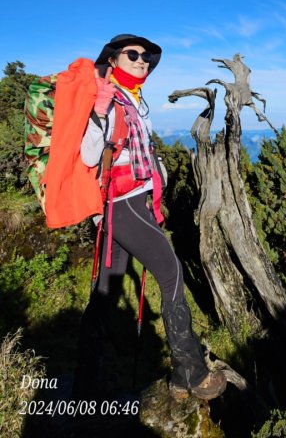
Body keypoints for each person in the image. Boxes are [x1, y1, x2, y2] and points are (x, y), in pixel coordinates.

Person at [73, 33, 226, 401]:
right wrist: (98, 112)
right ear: (112, 59)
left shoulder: (135, 101)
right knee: (171, 272)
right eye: (133, 54)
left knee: (106, 292)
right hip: (122, 203)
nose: (143, 60)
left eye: (147, 57)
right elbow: (90, 156)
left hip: (128, 203)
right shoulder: (106, 97)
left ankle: (85, 381)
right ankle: (188, 372)